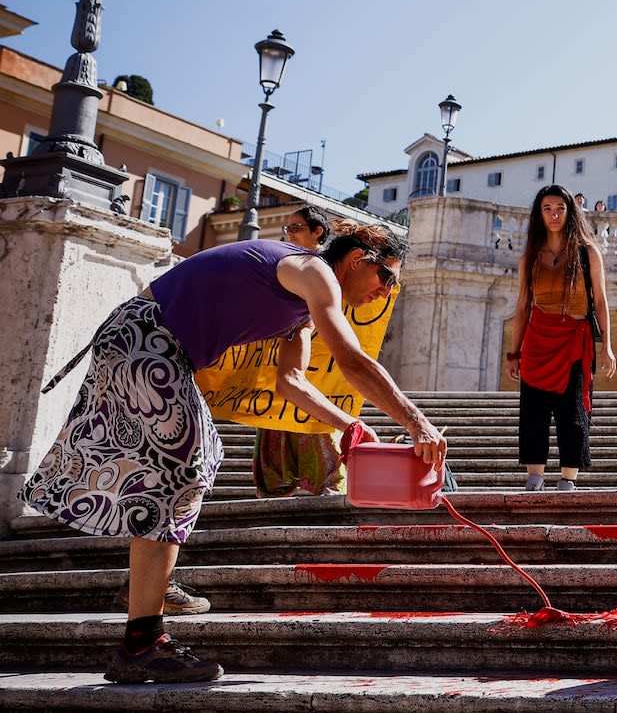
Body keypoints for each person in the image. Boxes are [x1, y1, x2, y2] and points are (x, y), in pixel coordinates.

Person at [20, 223, 445, 684]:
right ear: (361, 258)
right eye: (388, 279)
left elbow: (292, 381)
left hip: (147, 343)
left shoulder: (302, 302)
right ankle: (143, 636)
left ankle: (151, 595)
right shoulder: (313, 270)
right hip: (147, 339)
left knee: (179, 469)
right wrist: (417, 423)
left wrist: (350, 426)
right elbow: (351, 358)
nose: (385, 293)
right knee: (187, 465)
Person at [505, 186, 616, 492]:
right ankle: (534, 478)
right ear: (539, 215)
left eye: (559, 208)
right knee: (533, 412)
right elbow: (523, 307)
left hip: (574, 340)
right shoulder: (529, 258)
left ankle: (568, 480)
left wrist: (607, 345)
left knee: (572, 412)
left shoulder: (588, 252)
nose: (553, 215)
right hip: (538, 339)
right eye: (547, 209)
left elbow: (602, 302)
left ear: (570, 212)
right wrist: (514, 353)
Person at [251, 206, 347, 500]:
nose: (290, 234)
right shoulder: (282, 264)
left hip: (318, 363)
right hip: (284, 360)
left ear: (318, 232)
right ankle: (277, 487)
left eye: (297, 228)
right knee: (277, 424)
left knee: (317, 424)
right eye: (287, 228)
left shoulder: (329, 271)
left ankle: (328, 485)